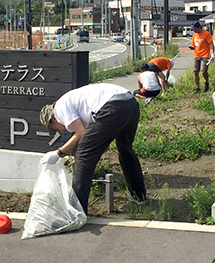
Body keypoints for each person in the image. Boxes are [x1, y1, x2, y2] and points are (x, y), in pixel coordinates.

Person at [39, 83, 147, 214]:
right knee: (125, 149)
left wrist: (59, 152)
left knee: (83, 157)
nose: (58, 129)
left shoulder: (59, 109)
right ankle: (138, 195)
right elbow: (98, 130)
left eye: (54, 127)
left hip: (113, 105)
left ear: (53, 118)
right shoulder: (74, 101)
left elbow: (80, 132)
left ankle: (77, 211)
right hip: (130, 102)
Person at [188, 21, 215, 93]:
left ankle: (206, 82)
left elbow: (211, 43)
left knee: (203, 71)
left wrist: (212, 53)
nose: (194, 31)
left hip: (205, 55)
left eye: (195, 29)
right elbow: (195, 45)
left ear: (199, 27)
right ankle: (197, 88)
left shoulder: (206, 34)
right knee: (195, 71)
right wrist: (192, 47)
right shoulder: (194, 35)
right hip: (196, 55)